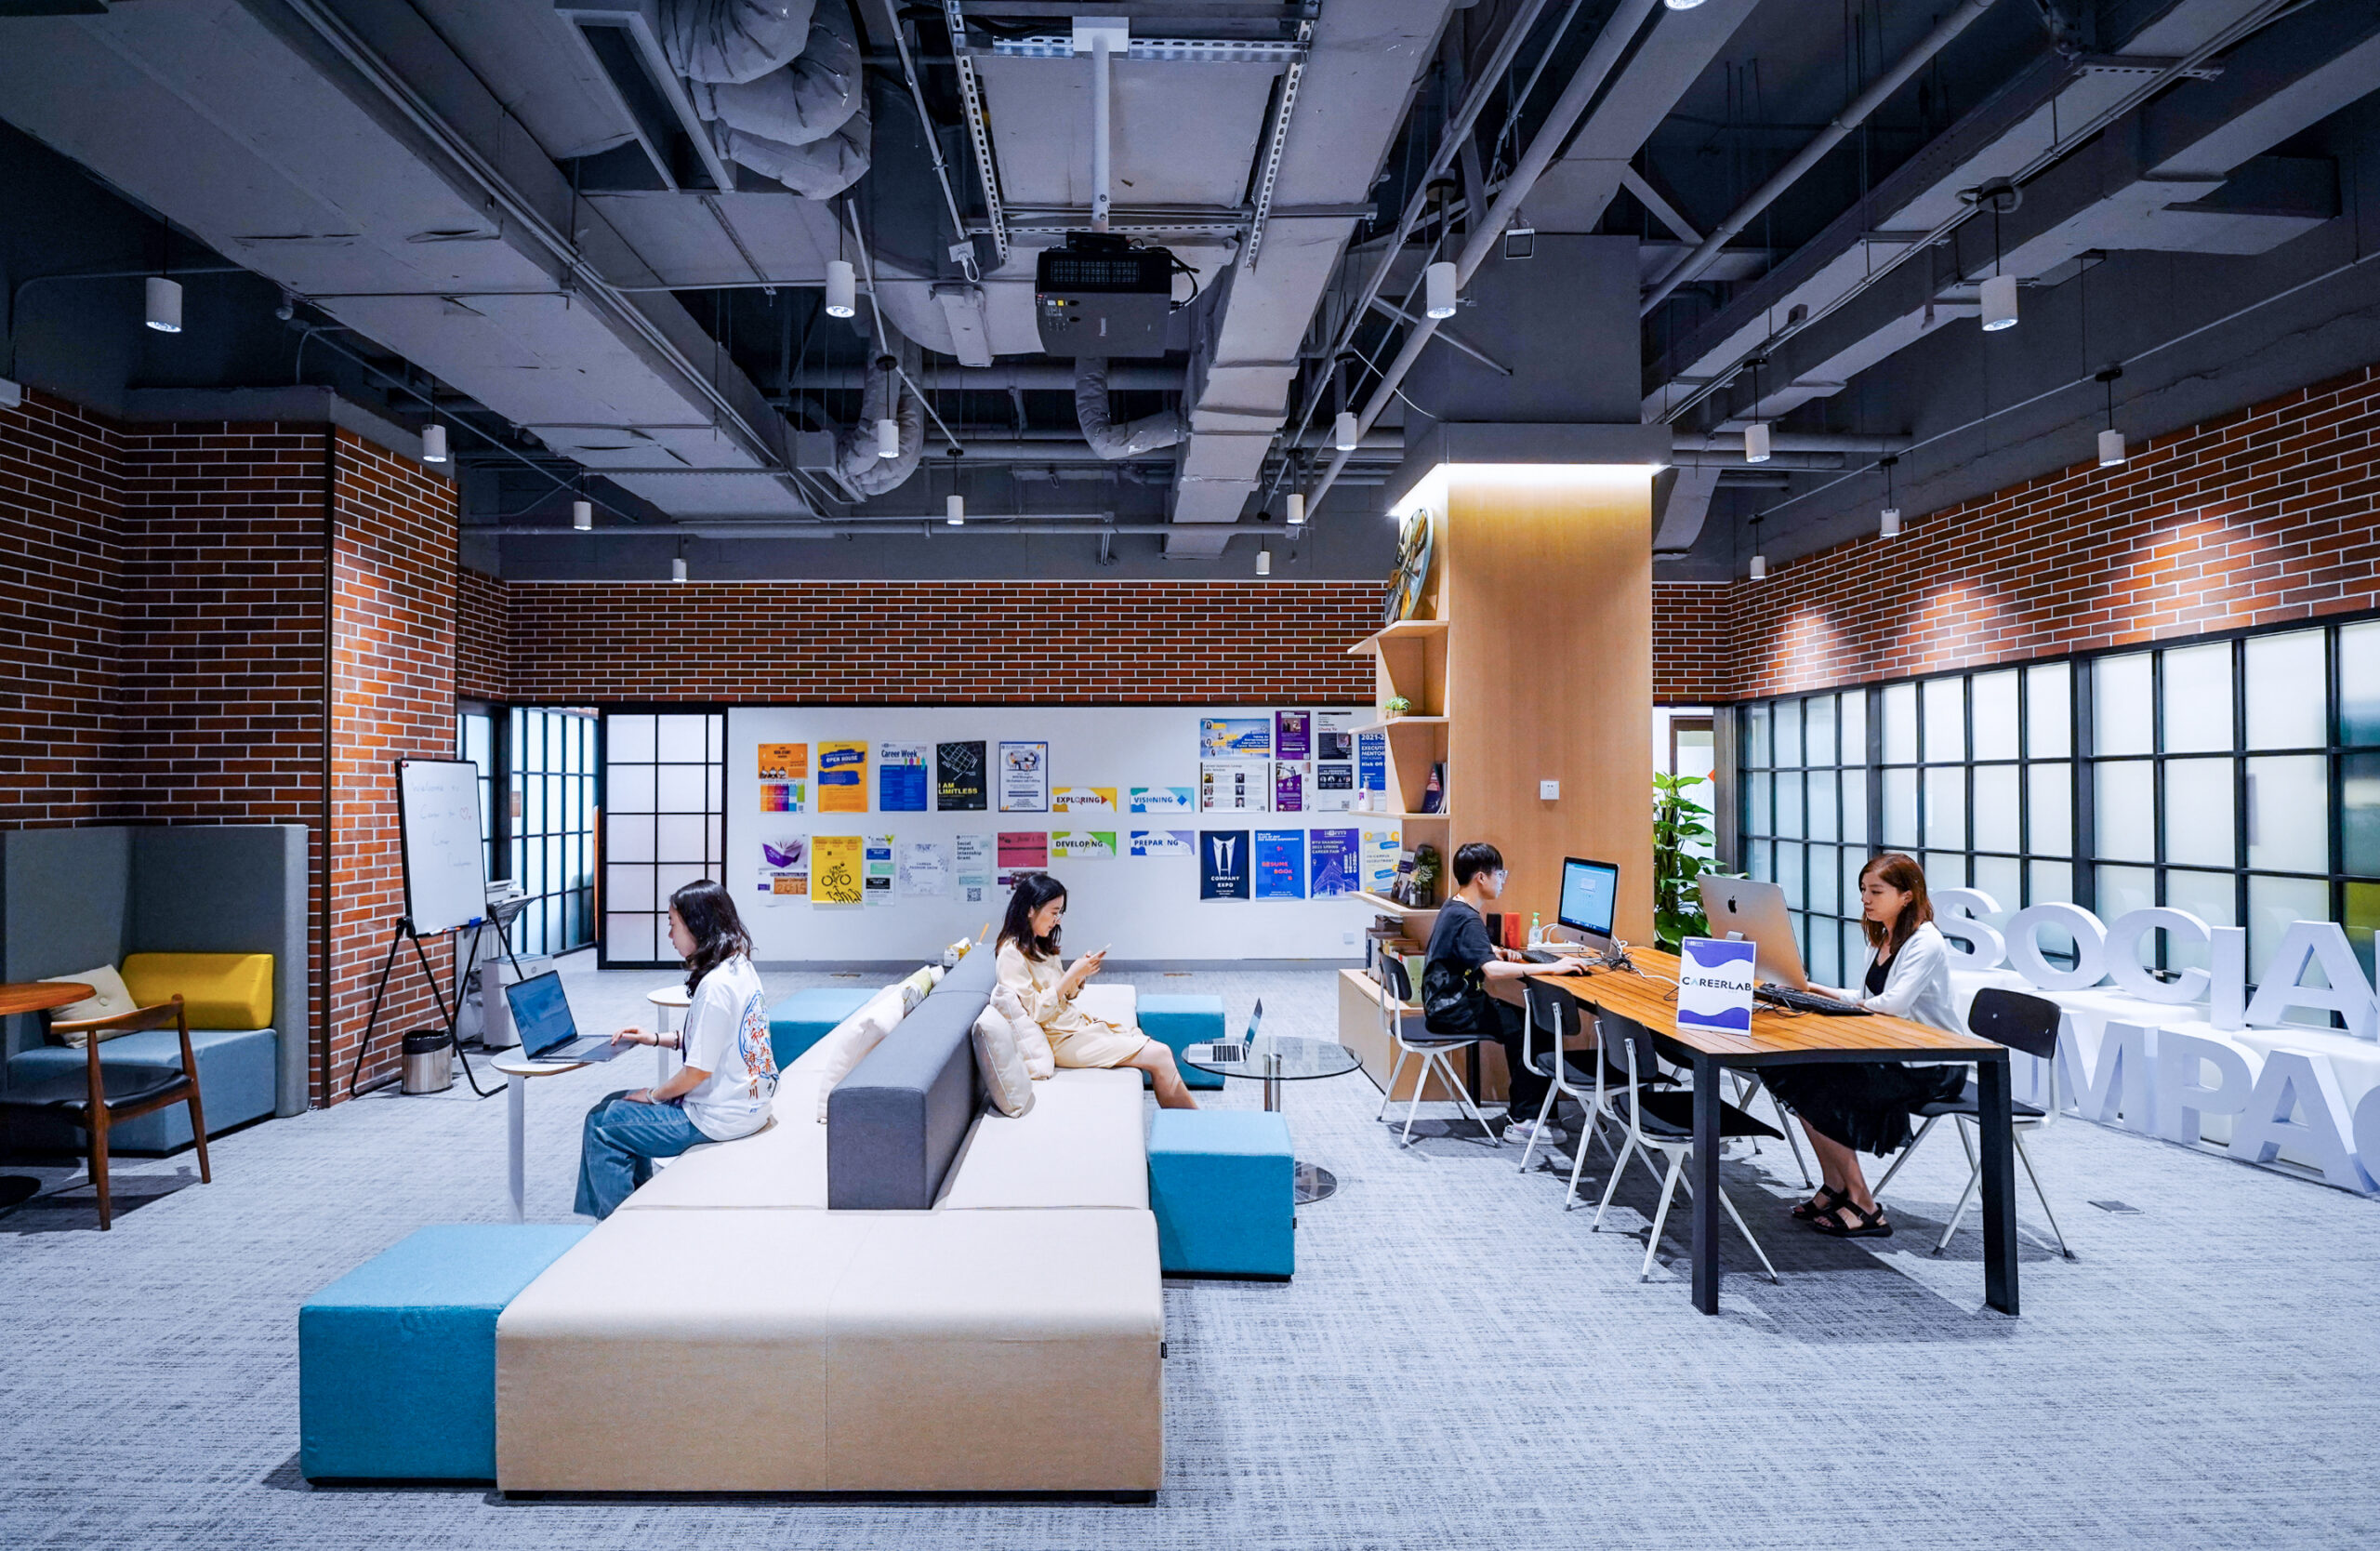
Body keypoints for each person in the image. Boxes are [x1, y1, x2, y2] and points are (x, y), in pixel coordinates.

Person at [1762, 851, 1968, 1239]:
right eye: (1862, 891)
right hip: (1890, 1050)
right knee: (1797, 1072)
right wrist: (1814, 990)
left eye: (1876, 891)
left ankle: (1865, 1204)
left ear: (1907, 895)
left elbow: (1892, 1005)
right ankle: (1835, 1186)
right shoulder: (1882, 937)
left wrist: (1838, 1003)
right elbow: (1864, 995)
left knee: (1821, 1084)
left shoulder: (1926, 941)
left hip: (1932, 1064)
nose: (1866, 899)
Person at [575, 880, 776, 1219]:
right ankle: (634, 1210)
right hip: (749, 1105)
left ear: (698, 925)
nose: (669, 936)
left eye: (672, 924)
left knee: (602, 1122)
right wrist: (654, 1038)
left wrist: (653, 1094)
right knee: (614, 1105)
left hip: (719, 1118)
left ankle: (618, 1228)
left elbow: (697, 1072)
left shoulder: (715, 987)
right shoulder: (739, 967)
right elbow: (717, 1039)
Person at [1422, 842, 1588, 1145]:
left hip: (1445, 1001)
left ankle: (1536, 1113)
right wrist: (1551, 968)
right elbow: (1491, 972)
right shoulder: (1468, 918)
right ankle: (1524, 1120)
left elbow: (1466, 951)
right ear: (1481, 878)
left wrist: (1493, 949)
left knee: (1524, 1023)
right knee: (1530, 1027)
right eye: (1500, 874)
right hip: (1452, 1007)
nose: (1502, 880)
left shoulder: (1455, 906)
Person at [994, 872, 1198, 1109]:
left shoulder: (1038, 944)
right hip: (1061, 1040)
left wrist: (1079, 975)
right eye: (1053, 912)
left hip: (1075, 1027)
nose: (1057, 920)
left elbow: (1064, 996)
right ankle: (1197, 1131)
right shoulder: (1011, 954)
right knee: (1160, 1054)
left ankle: (1190, 1130)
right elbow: (1037, 1013)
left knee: (1157, 1050)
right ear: (1030, 909)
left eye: (1060, 913)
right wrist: (1071, 974)